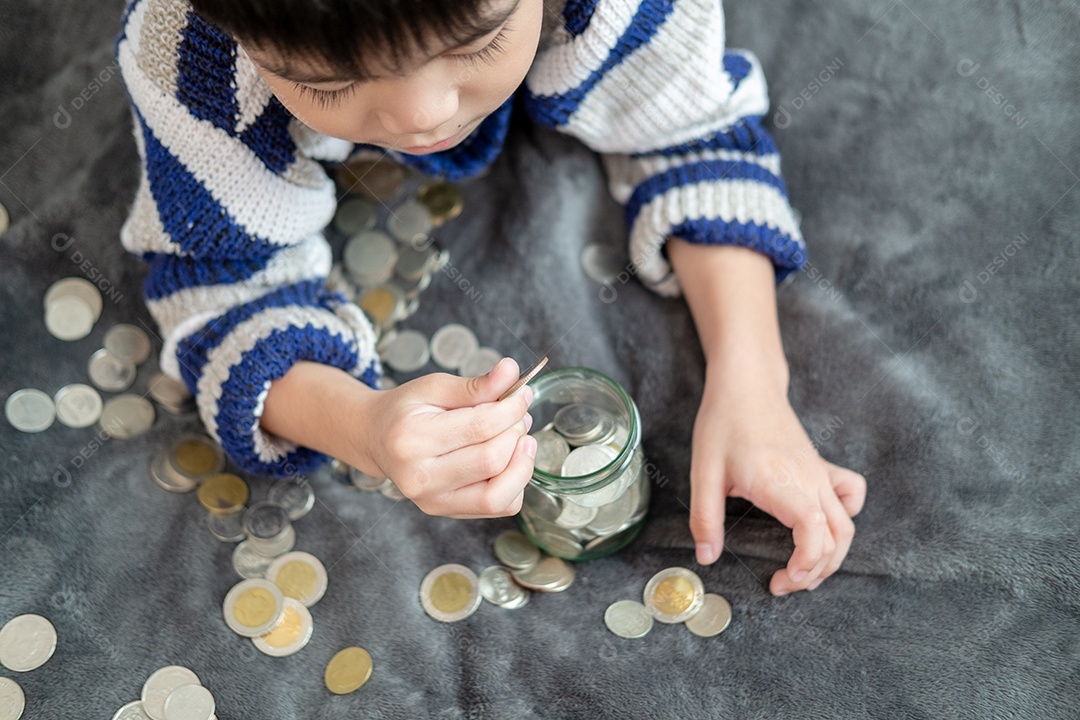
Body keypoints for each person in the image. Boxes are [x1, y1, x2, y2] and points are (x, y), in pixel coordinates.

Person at [116, 0, 866, 595]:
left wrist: (754, 384)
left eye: (477, 41)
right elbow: (216, 291)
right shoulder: (187, 58)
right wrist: (362, 427)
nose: (421, 117)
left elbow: (695, 133)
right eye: (328, 84)